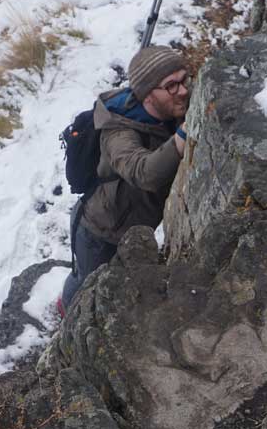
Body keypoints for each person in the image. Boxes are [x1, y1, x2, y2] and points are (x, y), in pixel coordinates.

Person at [59, 46, 189, 312]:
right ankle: (68, 313)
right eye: (172, 85)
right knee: (87, 285)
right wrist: (183, 137)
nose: (184, 90)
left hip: (127, 224)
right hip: (101, 232)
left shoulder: (171, 103)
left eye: (184, 79)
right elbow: (144, 172)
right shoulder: (117, 133)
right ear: (148, 95)